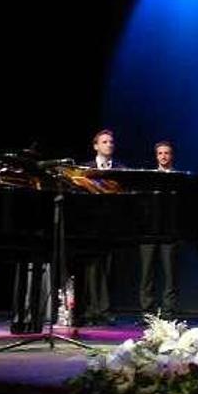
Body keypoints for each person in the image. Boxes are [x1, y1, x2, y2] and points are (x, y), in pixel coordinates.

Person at [75, 129, 124, 325]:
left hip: (111, 225)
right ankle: (89, 309)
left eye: (111, 142)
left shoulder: (121, 169)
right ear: (96, 146)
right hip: (89, 225)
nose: (109, 145)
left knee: (108, 268)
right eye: (104, 142)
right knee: (90, 268)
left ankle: (105, 310)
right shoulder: (85, 169)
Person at [139, 140, 180, 318]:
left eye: (167, 153)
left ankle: (169, 312)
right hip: (148, 232)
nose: (163, 156)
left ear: (172, 155)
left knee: (170, 274)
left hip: (169, 233)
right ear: (156, 156)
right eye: (160, 153)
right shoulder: (148, 178)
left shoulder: (179, 178)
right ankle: (147, 312)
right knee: (147, 274)